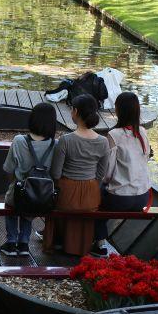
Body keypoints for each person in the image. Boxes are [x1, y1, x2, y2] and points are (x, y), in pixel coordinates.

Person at [43, 94, 109, 256]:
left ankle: (57, 240)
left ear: (75, 111)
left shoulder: (66, 140)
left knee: (54, 201)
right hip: (90, 195)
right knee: (87, 209)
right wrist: (90, 185)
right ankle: (84, 244)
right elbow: (101, 173)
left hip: (67, 192)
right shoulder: (103, 141)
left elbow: (56, 173)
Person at [90, 91, 151, 257]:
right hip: (143, 197)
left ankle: (100, 243)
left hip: (121, 199)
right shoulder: (143, 132)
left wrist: (98, 182)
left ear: (118, 110)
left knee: (94, 197)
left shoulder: (114, 135)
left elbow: (107, 173)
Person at [0, 102, 57, 257]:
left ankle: (11, 242)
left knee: (13, 198)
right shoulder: (55, 144)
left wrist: (14, 182)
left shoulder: (19, 140)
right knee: (32, 200)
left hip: (18, 193)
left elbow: (8, 169)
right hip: (43, 196)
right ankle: (24, 243)